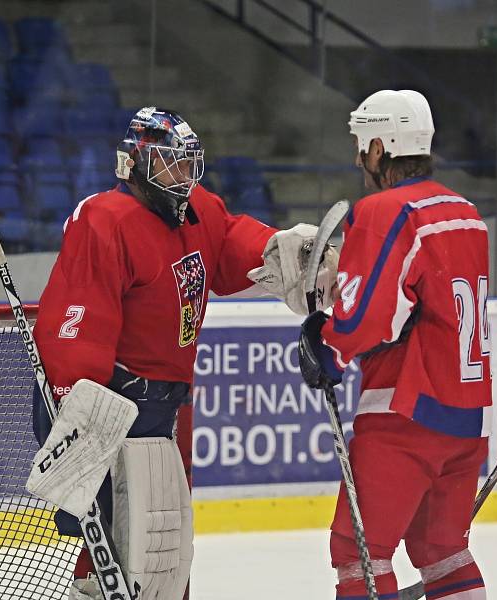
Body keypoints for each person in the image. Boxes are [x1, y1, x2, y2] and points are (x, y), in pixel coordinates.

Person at [29, 107, 334, 599]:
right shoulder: (105, 220)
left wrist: (279, 251)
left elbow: (230, 242)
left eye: (190, 165)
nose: (184, 178)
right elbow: (77, 321)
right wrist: (73, 408)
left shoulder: (198, 209)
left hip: (169, 408)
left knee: (166, 556)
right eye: (171, 165)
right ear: (136, 163)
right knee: (117, 554)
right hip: (116, 407)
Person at [296, 89, 492, 599]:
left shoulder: (388, 209)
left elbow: (371, 316)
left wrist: (327, 343)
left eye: (364, 146)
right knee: (442, 551)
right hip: (468, 418)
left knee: (358, 553)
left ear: (382, 147)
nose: (360, 159)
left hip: (406, 413)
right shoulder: (465, 210)